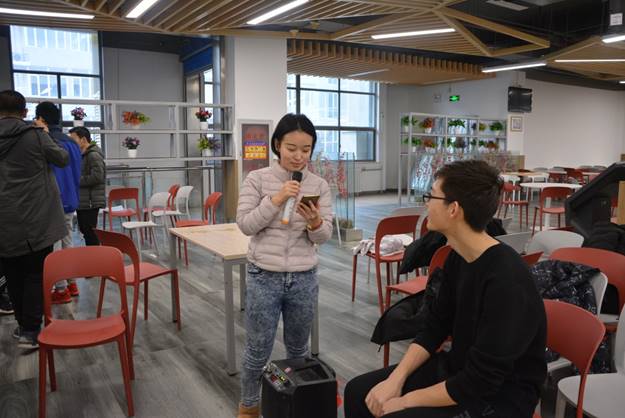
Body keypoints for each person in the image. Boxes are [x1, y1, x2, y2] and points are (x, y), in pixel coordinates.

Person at [344, 160, 547, 418]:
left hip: (500, 396)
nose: (426, 204)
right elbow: (434, 328)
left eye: (431, 196)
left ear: (453, 209)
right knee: (358, 391)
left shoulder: (507, 281)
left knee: (394, 414)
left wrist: (406, 400)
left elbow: (481, 380)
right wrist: (395, 380)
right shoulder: (457, 257)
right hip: (459, 371)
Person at [235, 113, 333, 418]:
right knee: (257, 350)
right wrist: (276, 199)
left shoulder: (319, 184)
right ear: (277, 144)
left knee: (299, 351)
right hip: (264, 276)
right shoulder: (257, 179)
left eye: (306, 149)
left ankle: (293, 405)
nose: (299, 156)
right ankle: (249, 406)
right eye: (292, 148)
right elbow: (246, 225)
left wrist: (315, 222)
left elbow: (324, 236)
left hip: (304, 278)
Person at [0, 90, 69, 349]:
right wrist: (45, 132)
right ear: (25, 112)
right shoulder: (35, 135)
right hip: (37, 218)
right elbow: (62, 158)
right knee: (35, 273)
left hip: (4, 220)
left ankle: (23, 326)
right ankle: (30, 331)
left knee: (12, 275)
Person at [34, 102, 81, 303]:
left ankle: (60, 289)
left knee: (54, 245)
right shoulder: (72, 143)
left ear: (41, 119)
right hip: (71, 199)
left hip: (54, 202)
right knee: (68, 241)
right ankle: (71, 283)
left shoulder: (47, 142)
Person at [69, 126, 105, 246]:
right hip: (83, 200)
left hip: (90, 201)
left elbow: (98, 177)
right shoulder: (83, 155)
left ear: (83, 139)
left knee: (90, 233)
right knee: (85, 231)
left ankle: (95, 256)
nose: (71, 143)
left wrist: (76, 180)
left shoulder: (93, 155)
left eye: (73, 140)